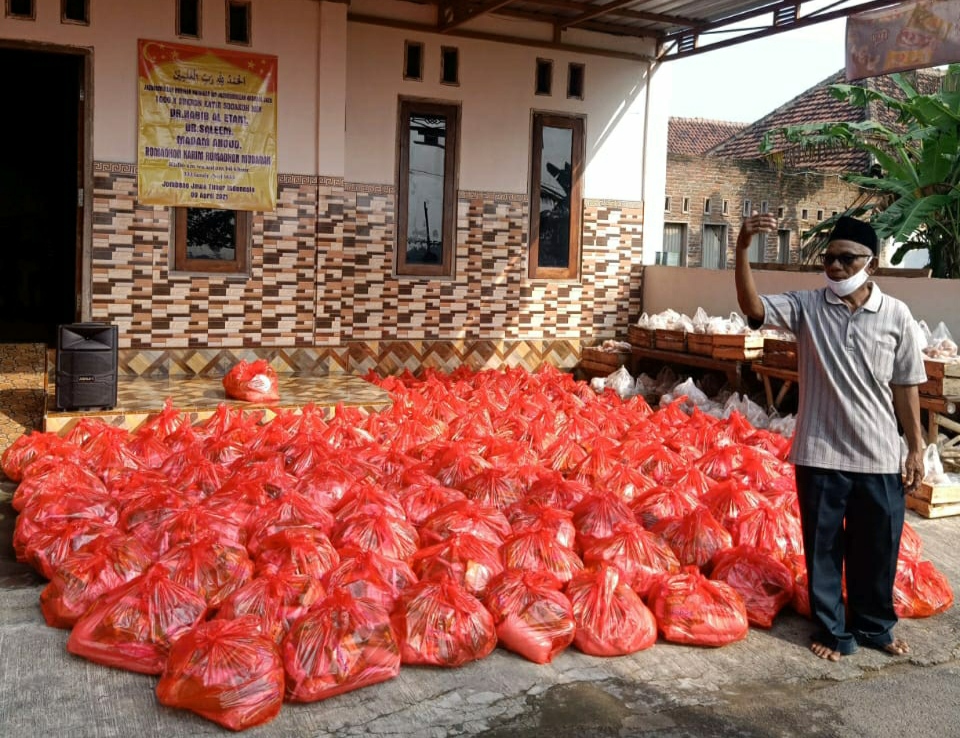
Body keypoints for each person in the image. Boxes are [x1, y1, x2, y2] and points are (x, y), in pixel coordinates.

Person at [735, 213, 927, 662]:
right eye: (829, 260)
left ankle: (875, 627)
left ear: (870, 265)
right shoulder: (808, 307)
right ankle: (832, 629)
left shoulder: (896, 315)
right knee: (823, 551)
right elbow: (753, 308)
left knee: (878, 551)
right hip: (820, 453)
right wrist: (742, 248)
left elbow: (906, 386)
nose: (835, 268)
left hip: (879, 457)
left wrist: (915, 448)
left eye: (845, 259)